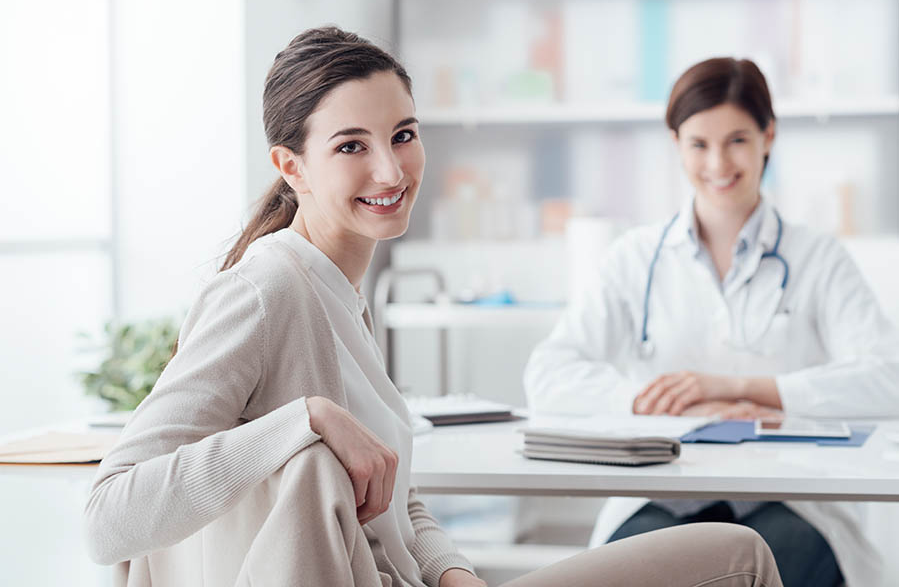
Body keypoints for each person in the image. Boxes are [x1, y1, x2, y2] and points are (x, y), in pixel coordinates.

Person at [83, 30, 783, 587]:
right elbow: (110, 518)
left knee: (735, 550)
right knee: (739, 562)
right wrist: (304, 419)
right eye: (351, 146)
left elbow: (397, 504)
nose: (390, 171)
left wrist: (455, 572)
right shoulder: (268, 291)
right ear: (290, 167)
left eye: (404, 135)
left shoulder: (339, 294)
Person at [524, 56, 899, 587]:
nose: (718, 162)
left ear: (768, 136)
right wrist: (656, 400)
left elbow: (888, 377)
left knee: (765, 556)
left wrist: (749, 389)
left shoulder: (818, 258)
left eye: (738, 140)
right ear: (675, 143)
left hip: (788, 500)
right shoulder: (636, 257)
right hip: (665, 492)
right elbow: (548, 375)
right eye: (699, 143)